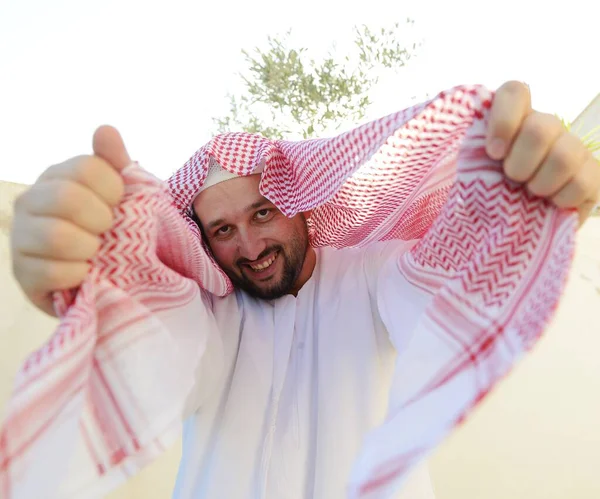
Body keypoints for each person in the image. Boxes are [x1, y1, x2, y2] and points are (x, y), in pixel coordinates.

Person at [8, 81, 600, 498]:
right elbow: (163, 358)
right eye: (223, 230)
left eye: (262, 213)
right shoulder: (209, 312)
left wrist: (518, 218)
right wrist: (85, 281)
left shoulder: (372, 275)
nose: (249, 245)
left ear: (300, 206)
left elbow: (437, 294)